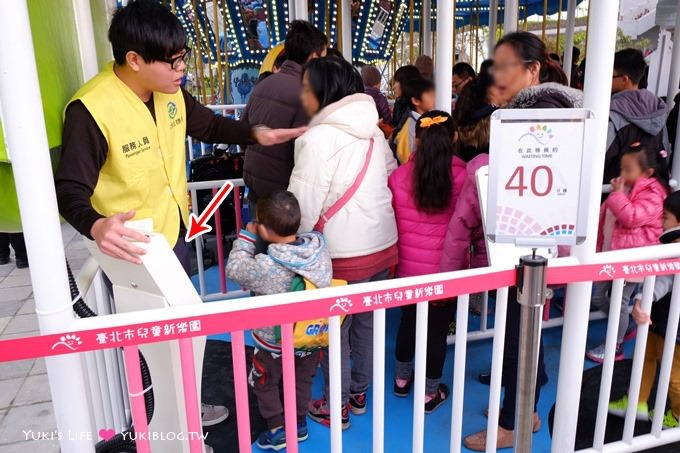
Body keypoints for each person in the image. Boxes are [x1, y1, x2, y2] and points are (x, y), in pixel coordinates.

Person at [54, 0, 303, 433]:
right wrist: (95, 225)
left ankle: (186, 407)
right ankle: (162, 421)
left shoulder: (171, 93)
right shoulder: (91, 110)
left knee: (181, 331)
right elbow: (70, 189)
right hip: (130, 251)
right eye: (172, 61)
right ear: (134, 60)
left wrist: (254, 134)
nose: (181, 69)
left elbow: (207, 125)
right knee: (151, 345)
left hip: (174, 235)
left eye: (183, 57)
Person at [455, 31, 581, 451]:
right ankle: (522, 406)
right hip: (530, 237)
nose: (498, 75)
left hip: (531, 240)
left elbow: (531, 180)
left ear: (532, 69)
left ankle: (515, 420)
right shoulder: (534, 108)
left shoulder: (543, 112)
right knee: (525, 328)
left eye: (507, 66)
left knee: (519, 332)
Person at [287, 56, 398, 429]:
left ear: (323, 91)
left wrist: (291, 246)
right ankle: (359, 393)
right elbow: (391, 177)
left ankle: (336, 406)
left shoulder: (316, 138)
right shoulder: (375, 133)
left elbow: (303, 205)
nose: (302, 94)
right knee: (366, 321)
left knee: (335, 328)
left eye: (306, 87)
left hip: (341, 253)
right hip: (381, 244)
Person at [225, 191, 332, 450]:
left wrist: (247, 238)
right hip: (309, 336)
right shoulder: (318, 252)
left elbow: (234, 269)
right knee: (302, 380)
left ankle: (276, 428)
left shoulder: (267, 265)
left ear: (266, 230)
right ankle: (299, 424)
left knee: (264, 381)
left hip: (273, 342)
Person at [389, 111, 465, 412]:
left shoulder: (397, 177)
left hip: (408, 270)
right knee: (436, 331)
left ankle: (401, 381)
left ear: (416, 139)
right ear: (455, 137)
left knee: (408, 322)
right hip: (446, 272)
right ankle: (429, 393)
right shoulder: (463, 178)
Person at [586, 142, 670, 363]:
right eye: (621, 168)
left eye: (627, 170)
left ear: (648, 172)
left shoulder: (654, 194)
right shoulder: (630, 189)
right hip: (613, 255)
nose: (621, 174)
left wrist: (616, 195)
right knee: (600, 297)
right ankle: (627, 324)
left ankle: (615, 345)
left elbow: (632, 217)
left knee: (617, 303)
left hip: (632, 260)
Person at [608, 191, 680, 429]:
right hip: (658, 319)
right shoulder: (670, 247)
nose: (661, 221)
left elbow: (664, 281)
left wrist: (641, 300)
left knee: (675, 377)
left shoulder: (675, 252)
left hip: (674, 328)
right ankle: (637, 401)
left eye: (665, 217)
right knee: (644, 358)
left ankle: (678, 415)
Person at [242, 20, 327, 207]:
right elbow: (308, 155)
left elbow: (243, 133)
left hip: (256, 186)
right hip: (283, 196)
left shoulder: (263, 84)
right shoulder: (307, 94)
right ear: (313, 56)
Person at [603, 48, 670, 184]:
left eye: (611, 75)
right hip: (648, 193)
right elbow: (665, 149)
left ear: (624, 79)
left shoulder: (614, 112)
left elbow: (601, 155)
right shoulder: (657, 109)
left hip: (615, 192)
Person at [391, 77, 436, 164]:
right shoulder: (409, 130)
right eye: (431, 96)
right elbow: (407, 161)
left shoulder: (426, 120)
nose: (435, 99)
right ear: (415, 100)